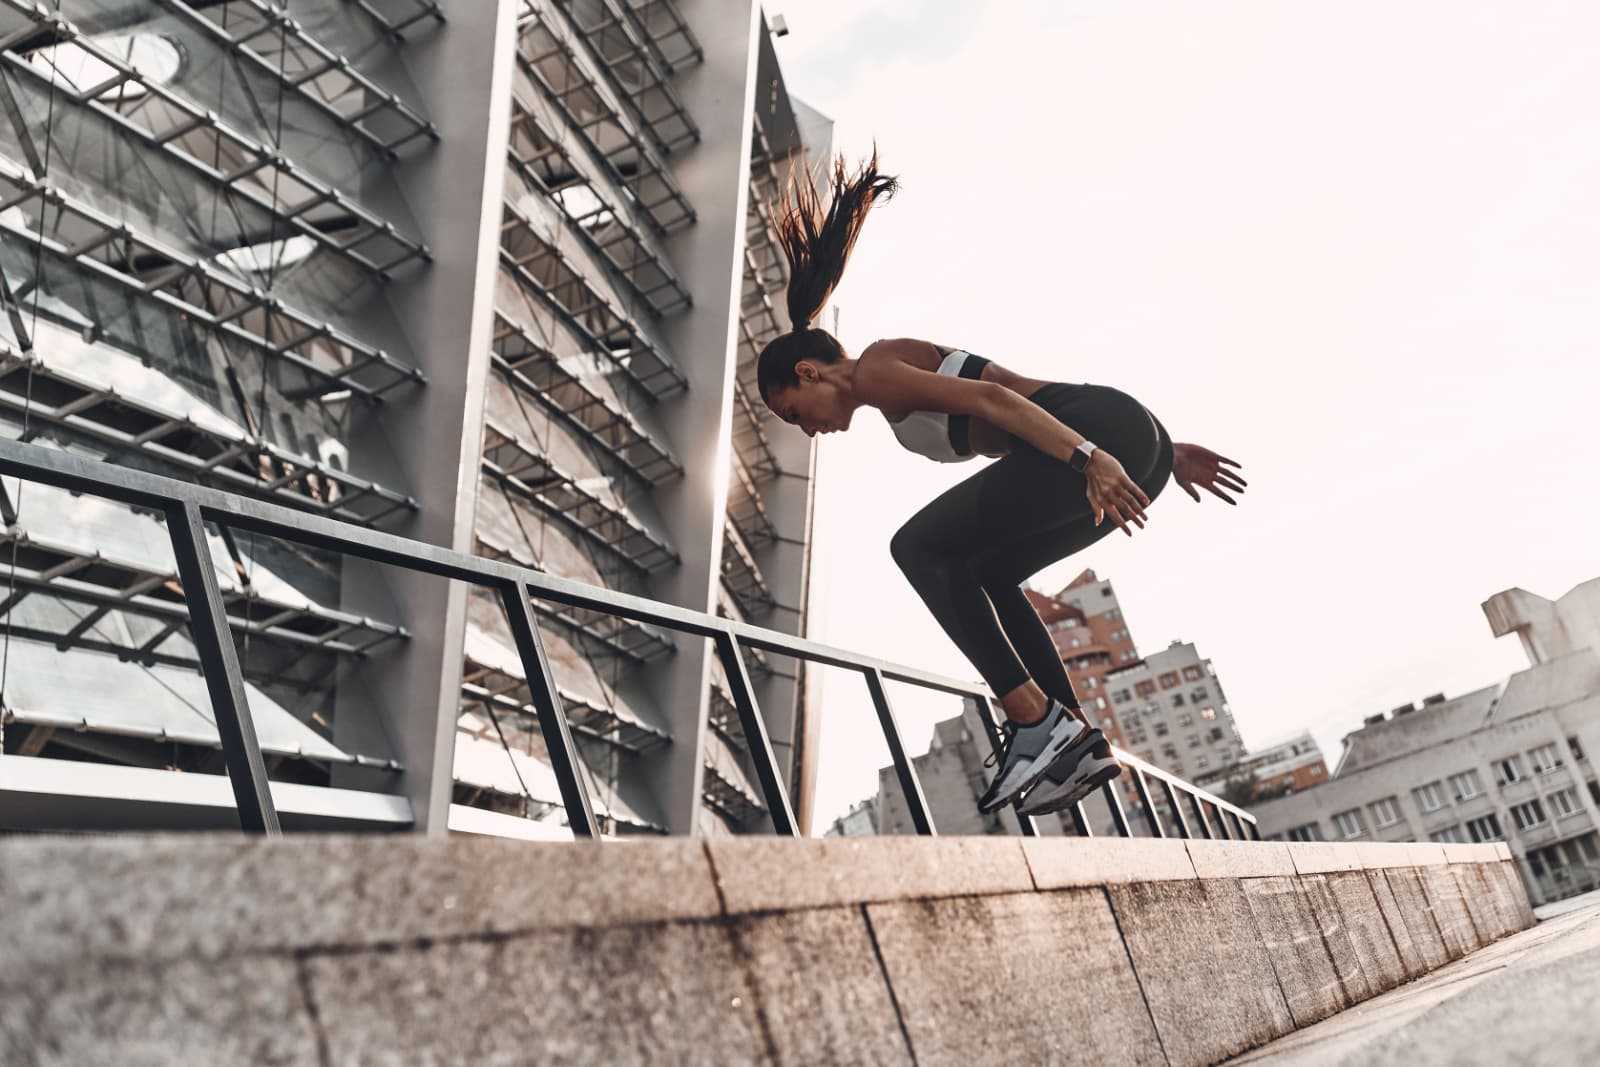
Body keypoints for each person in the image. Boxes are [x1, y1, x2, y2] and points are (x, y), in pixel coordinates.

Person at [756, 150, 1248, 820]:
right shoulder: (885, 385)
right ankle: (1069, 734)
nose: (807, 431)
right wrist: (1161, 448)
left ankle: (1036, 722)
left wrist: (1093, 458)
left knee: (916, 548)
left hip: (1095, 441)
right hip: (1119, 434)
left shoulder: (874, 371)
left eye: (794, 414)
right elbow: (1022, 399)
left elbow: (994, 399)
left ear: (810, 373)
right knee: (986, 569)